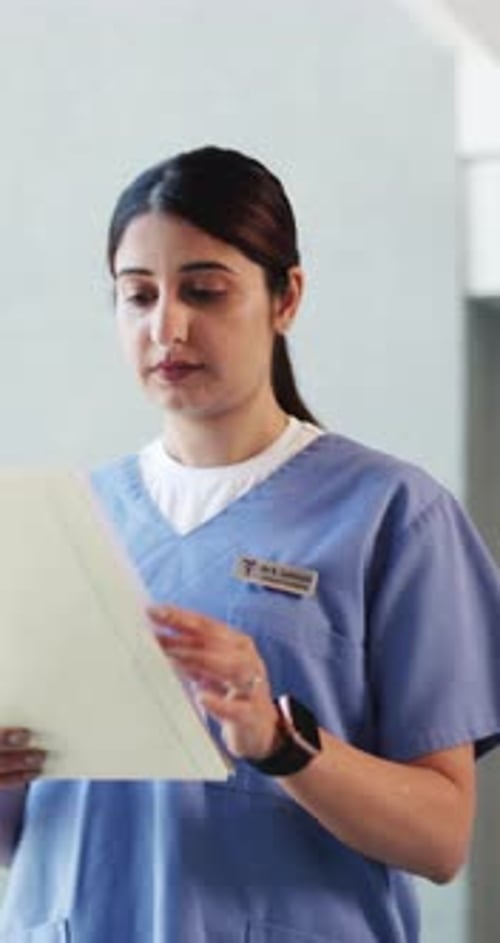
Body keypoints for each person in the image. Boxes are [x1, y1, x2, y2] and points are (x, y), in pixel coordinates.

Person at [0, 145, 499, 943]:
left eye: (203, 290)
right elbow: (37, 827)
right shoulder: (66, 522)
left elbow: (441, 838)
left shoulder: (391, 516)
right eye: (138, 296)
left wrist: (280, 739)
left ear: (285, 297)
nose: (166, 325)